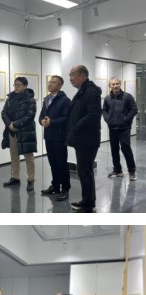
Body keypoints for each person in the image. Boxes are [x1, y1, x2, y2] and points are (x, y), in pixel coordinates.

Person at [66, 65, 102, 213]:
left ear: (83, 75)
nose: (70, 78)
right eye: (70, 75)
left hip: (87, 139)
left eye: (73, 75)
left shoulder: (91, 92)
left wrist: (75, 126)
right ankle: (87, 201)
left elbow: (93, 116)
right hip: (82, 138)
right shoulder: (83, 91)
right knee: (84, 171)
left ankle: (88, 205)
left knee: (85, 172)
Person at [1, 77, 38, 191]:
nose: (16, 87)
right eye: (15, 85)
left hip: (25, 132)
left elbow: (30, 115)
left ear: (25, 86)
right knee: (14, 156)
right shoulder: (10, 98)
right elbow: (4, 113)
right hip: (11, 131)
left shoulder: (30, 99)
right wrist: (9, 124)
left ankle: (31, 179)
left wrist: (16, 124)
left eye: (18, 85)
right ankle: (15, 178)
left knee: (28, 157)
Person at [39, 76, 72, 201]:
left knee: (61, 163)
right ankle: (55, 186)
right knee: (53, 163)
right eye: (49, 82)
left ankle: (65, 188)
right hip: (49, 136)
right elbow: (42, 115)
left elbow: (66, 118)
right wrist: (42, 121)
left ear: (59, 86)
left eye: (53, 82)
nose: (50, 84)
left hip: (59, 137)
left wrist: (51, 122)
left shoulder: (65, 101)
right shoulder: (46, 99)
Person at [102, 77, 138, 181]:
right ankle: (117, 170)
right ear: (110, 86)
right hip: (112, 128)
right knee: (114, 149)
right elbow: (104, 110)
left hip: (124, 128)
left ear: (120, 84)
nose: (115, 86)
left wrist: (126, 119)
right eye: (113, 84)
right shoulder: (107, 98)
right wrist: (108, 119)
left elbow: (134, 109)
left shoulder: (127, 97)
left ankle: (132, 171)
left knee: (126, 148)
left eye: (117, 83)